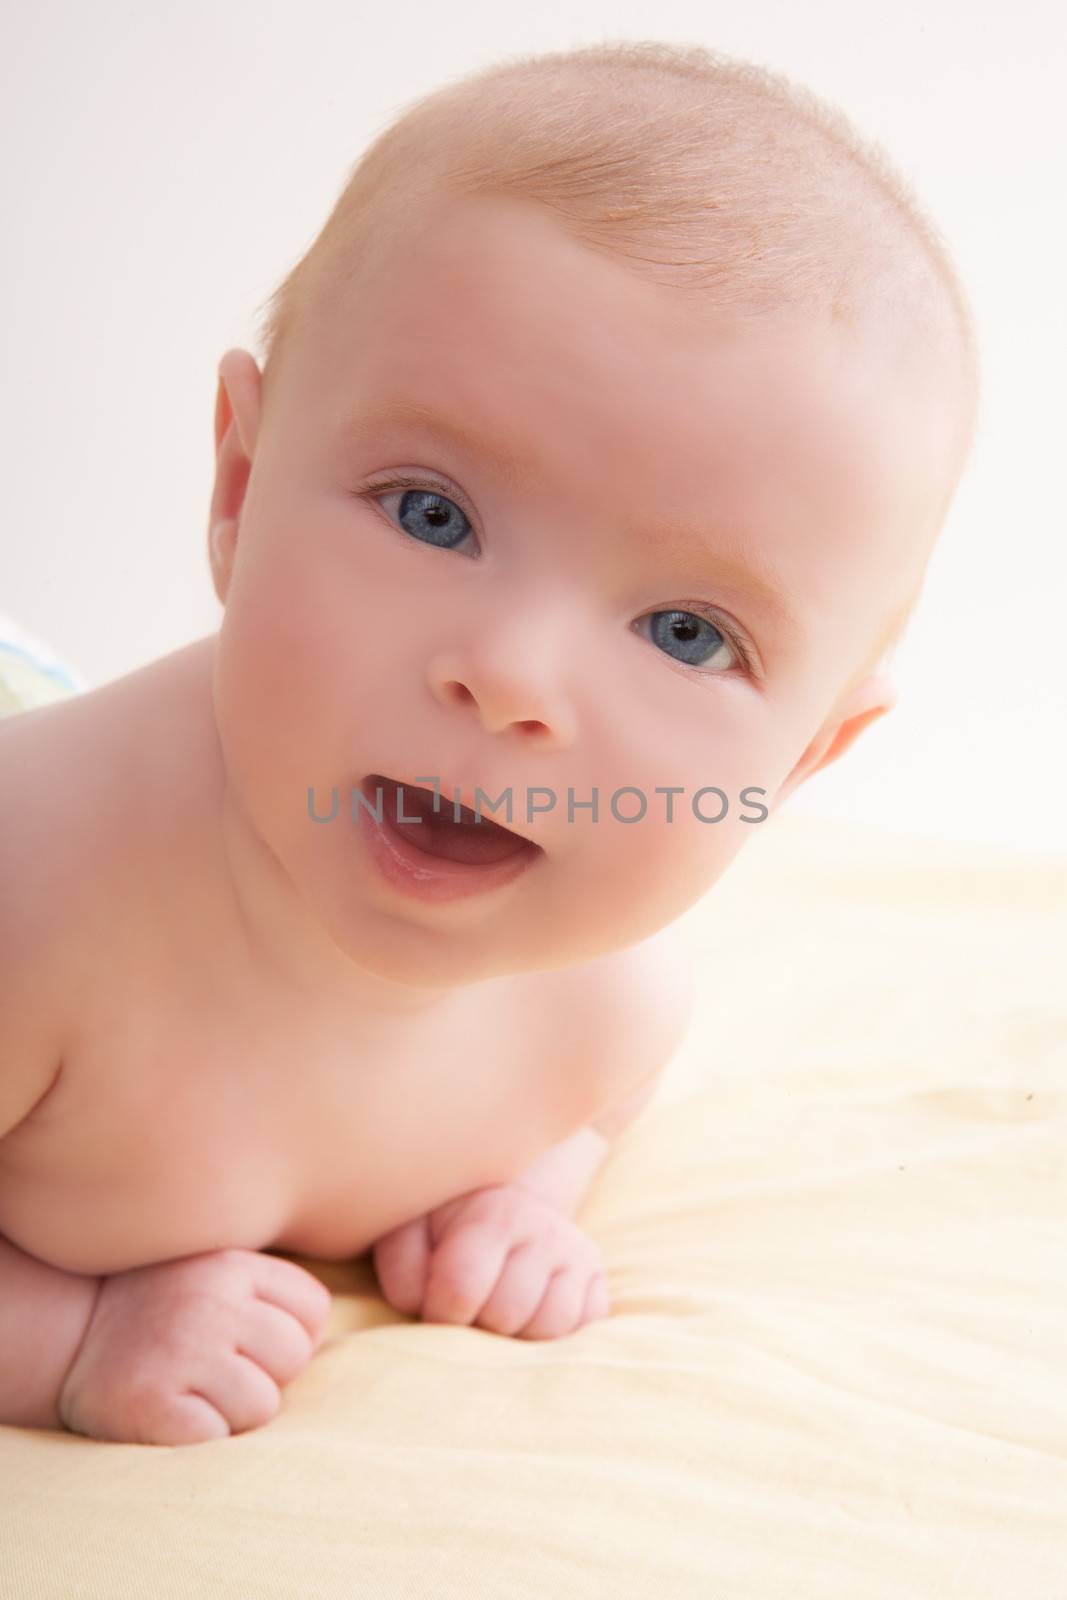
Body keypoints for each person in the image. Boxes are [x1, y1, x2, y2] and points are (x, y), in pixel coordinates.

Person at [0, 39, 979, 1445]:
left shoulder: (606, 1009)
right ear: (238, 484)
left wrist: (524, 1194)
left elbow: (600, 1110)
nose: (515, 679)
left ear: (805, 762)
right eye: (432, 515)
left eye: (689, 633)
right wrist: (64, 1339)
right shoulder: (39, 904)